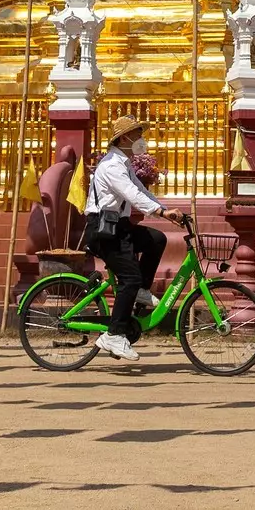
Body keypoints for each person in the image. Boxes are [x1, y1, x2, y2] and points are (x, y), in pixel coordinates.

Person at [83, 114, 189, 362]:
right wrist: (162, 212)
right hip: (103, 229)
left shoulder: (125, 163)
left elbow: (141, 190)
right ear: (124, 138)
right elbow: (131, 194)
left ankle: (141, 289)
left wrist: (166, 211)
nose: (142, 139)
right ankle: (114, 334)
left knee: (156, 240)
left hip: (118, 226)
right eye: (137, 134)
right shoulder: (111, 165)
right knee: (128, 278)